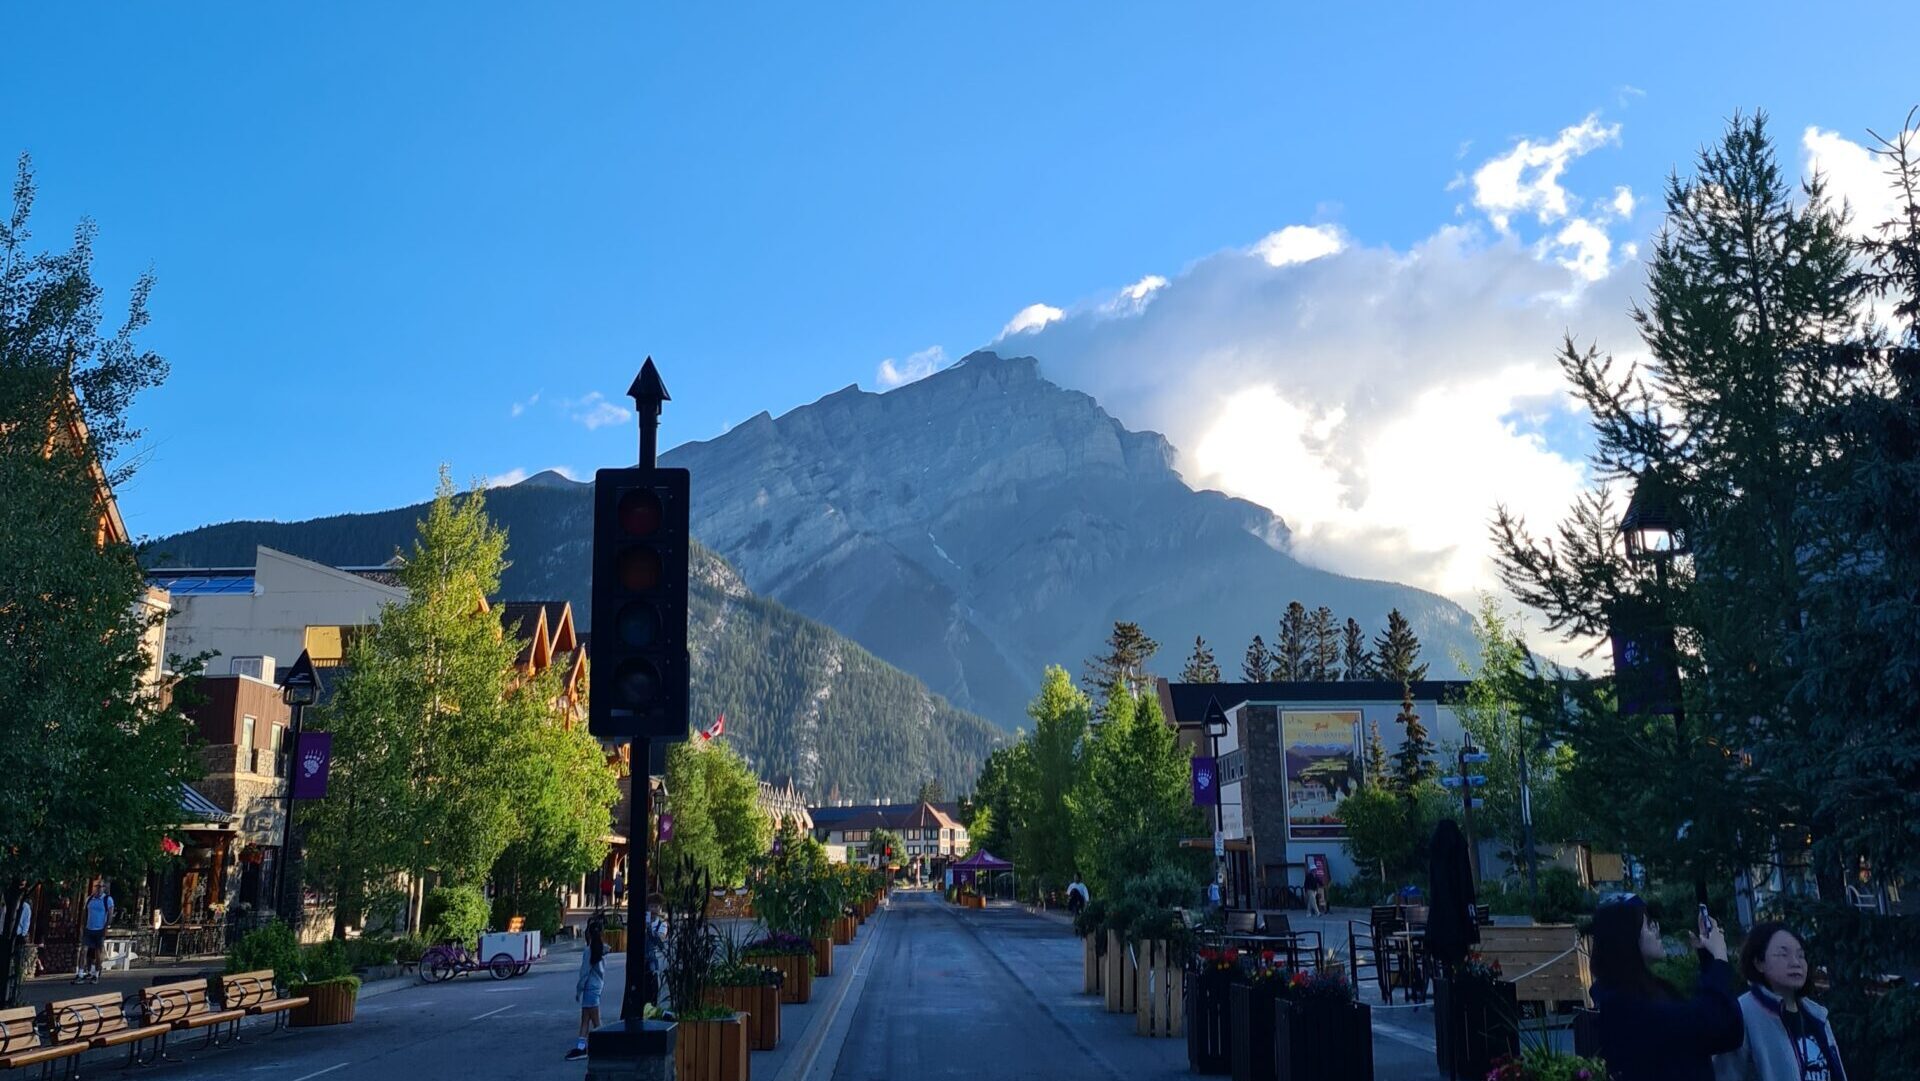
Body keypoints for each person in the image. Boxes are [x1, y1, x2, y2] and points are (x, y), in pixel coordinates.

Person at [1588, 894, 1745, 1081]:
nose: (1657, 930)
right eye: (1648, 925)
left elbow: (1714, 1028)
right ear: (1627, 938)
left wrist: (1708, 958)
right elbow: (1711, 1025)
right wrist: (1719, 958)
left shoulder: (1637, 992)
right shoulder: (1626, 1004)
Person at [1714, 922, 1848, 1081]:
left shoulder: (1816, 1015)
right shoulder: (1742, 1014)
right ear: (1759, 962)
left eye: (1800, 955)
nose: (1795, 963)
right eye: (1783, 955)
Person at [566, 914, 607, 1061]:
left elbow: (584, 972)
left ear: (588, 934)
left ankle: (600, 1046)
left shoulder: (589, 951)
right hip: (597, 987)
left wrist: (579, 990)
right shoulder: (602, 949)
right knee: (587, 1019)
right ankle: (581, 1047)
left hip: (590, 988)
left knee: (594, 1021)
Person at [75, 882, 114, 984]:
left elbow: (110, 915)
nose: (99, 888)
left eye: (101, 886)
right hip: (89, 928)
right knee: (83, 951)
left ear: (104, 888)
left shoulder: (107, 900)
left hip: (100, 929)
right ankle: (80, 974)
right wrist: (83, 926)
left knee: (98, 953)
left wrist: (106, 928)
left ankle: (96, 974)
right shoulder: (89, 899)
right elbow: (84, 913)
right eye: (97, 886)